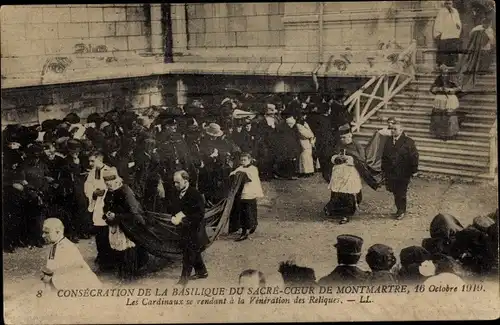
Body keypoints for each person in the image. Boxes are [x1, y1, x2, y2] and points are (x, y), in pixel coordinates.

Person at [102, 168, 149, 281]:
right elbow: (106, 206)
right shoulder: (109, 191)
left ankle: (129, 275)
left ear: (116, 179)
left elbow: (134, 212)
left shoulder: (125, 191)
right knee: (118, 250)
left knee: (128, 250)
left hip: (128, 226)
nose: (109, 184)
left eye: (111, 181)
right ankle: (122, 272)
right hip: (116, 225)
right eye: (106, 182)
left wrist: (117, 216)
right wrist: (107, 213)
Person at [170, 170, 209, 286]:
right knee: (193, 250)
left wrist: (183, 220)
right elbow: (173, 207)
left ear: (186, 181)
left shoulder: (195, 194)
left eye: (178, 182)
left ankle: (183, 280)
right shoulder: (176, 192)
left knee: (188, 253)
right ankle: (202, 272)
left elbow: (200, 214)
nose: (175, 185)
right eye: (174, 182)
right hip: (184, 228)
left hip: (195, 228)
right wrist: (174, 216)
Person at [41, 218, 101, 290]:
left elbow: (74, 273)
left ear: (58, 232)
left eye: (47, 232)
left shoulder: (66, 247)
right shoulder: (56, 245)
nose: (43, 236)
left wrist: (50, 279)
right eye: (43, 232)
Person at [324, 125, 364, 224]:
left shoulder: (357, 145)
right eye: (341, 137)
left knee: (348, 192)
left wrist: (351, 159)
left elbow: (362, 159)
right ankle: (336, 211)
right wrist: (336, 158)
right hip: (338, 173)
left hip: (351, 172)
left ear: (350, 136)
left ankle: (346, 215)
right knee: (337, 192)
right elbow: (331, 156)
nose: (343, 139)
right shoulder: (338, 145)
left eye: (345, 137)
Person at [84, 151, 116, 271]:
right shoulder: (92, 172)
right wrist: (93, 193)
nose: (90, 163)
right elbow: (87, 186)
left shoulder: (109, 170)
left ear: (100, 159)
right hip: (97, 204)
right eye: (90, 161)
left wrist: (105, 192)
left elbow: (115, 185)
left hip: (107, 205)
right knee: (99, 231)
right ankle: (102, 255)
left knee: (106, 232)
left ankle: (109, 258)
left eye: (93, 161)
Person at [381, 118, 419, 220]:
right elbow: (384, 155)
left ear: (401, 130)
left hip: (403, 171)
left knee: (401, 192)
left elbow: (414, 156)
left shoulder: (408, 142)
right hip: (391, 172)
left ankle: (401, 211)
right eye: (391, 129)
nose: (393, 131)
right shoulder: (388, 141)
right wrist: (383, 169)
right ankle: (399, 209)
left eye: (395, 129)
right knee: (395, 191)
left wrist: (414, 170)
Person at [229, 153, 264, 241]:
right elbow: (233, 174)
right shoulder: (240, 168)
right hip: (243, 194)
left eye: (245, 160)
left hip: (250, 192)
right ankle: (245, 229)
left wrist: (241, 174)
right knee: (244, 212)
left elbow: (250, 177)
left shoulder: (253, 169)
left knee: (250, 210)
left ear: (250, 160)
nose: (243, 162)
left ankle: (250, 226)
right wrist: (235, 174)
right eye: (242, 160)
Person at [454, 17, 496, 91]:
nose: (486, 25)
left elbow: (471, 36)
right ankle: (481, 70)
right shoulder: (485, 30)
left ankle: (480, 70)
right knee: (481, 60)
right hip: (481, 49)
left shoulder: (476, 28)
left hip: (481, 48)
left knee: (480, 60)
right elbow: (493, 42)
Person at [429, 64, 462, 140]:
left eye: (445, 72)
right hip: (440, 101)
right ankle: (439, 134)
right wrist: (439, 89)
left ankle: (451, 134)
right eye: (442, 72)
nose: (444, 74)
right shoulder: (438, 79)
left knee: (450, 116)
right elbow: (432, 89)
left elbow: (459, 88)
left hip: (450, 100)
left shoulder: (452, 78)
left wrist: (451, 90)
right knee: (439, 117)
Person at [433, 0, 462, 68]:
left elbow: (458, 20)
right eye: (447, 4)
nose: (449, 5)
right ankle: (442, 63)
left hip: (453, 33)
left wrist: (458, 25)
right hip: (445, 33)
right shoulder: (442, 11)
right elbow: (438, 22)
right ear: (445, 4)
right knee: (444, 49)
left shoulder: (455, 11)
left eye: (450, 4)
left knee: (453, 48)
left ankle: (452, 63)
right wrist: (438, 32)